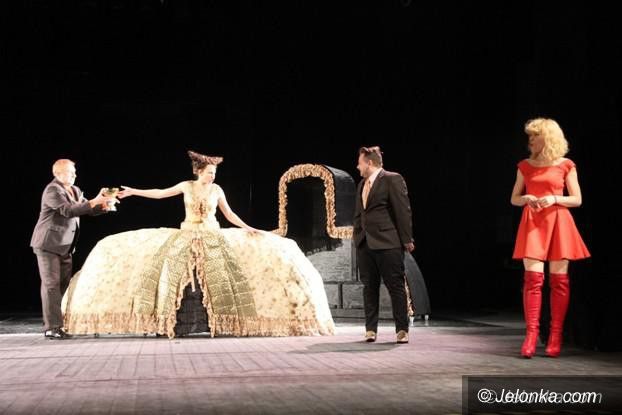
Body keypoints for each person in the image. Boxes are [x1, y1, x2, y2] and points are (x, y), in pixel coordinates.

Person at [61, 150, 335, 338]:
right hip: (187, 232)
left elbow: (229, 214)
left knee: (232, 272)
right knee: (170, 269)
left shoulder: (217, 190)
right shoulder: (187, 186)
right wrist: (134, 191)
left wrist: (250, 228)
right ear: (199, 172)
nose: (213, 176)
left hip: (213, 234)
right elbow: (160, 194)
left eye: (215, 172)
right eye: (209, 172)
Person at [511, 118, 590, 358]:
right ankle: (531, 336)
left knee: (559, 282)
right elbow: (514, 198)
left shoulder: (566, 165)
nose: (531, 140)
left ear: (548, 138)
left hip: (558, 222)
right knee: (532, 280)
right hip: (533, 223)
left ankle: (556, 336)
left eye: (535, 135)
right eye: (530, 136)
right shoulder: (525, 165)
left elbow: (577, 199)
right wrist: (526, 199)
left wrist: (554, 198)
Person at [30, 159, 117, 339]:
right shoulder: (52, 190)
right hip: (48, 244)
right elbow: (68, 210)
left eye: (74, 172)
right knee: (51, 286)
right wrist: (95, 200)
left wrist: (104, 205)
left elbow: (86, 208)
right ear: (58, 173)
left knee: (62, 285)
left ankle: (61, 324)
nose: (74, 175)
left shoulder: (75, 190)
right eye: (70, 172)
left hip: (66, 245)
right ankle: (52, 327)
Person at [353, 146, 415, 344]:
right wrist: (357, 237)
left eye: (360, 163)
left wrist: (406, 239)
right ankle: (370, 329)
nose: (357, 167)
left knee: (395, 286)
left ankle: (402, 330)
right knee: (369, 287)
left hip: (388, 243)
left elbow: (402, 211)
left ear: (369, 163)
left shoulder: (391, 179)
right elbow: (359, 214)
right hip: (365, 243)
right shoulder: (362, 184)